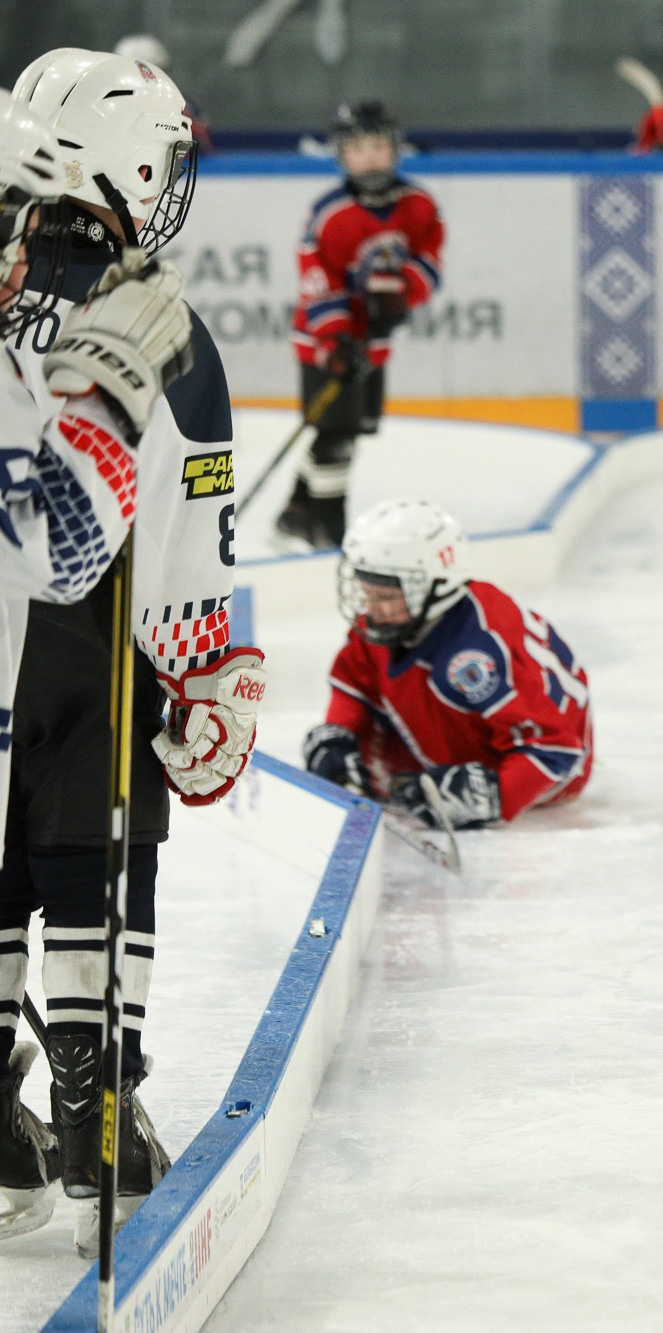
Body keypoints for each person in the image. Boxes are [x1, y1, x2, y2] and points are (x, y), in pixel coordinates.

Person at [0, 49, 264, 1246]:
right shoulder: (163, 322)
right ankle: (97, 1098)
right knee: (97, 847)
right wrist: (212, 678)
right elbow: (184, 548)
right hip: (83, 634)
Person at [303, 499, 592, 832]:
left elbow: (554, 749)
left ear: (436, 585)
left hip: (536, 773)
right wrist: (341, 734)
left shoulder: (477, 656)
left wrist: (495, 794)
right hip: (442, 743)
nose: (371, 607)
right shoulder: (394, 622)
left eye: (386, 596)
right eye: (366, 591)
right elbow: (355, 682)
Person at [278, 100, 445, 551]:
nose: (370, 157)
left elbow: (430, 258)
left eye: (378, 146)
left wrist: (404, 292)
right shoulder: (328, 215)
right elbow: (317, 280)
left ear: (395, 149)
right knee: (336, 433)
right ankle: (327, 528)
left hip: (374, 345)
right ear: (341, 156)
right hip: (325, 343)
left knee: (353, 427)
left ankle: (294, 511)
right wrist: (335, 337)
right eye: (359, 148)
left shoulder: (419, 204)